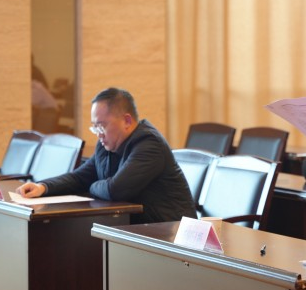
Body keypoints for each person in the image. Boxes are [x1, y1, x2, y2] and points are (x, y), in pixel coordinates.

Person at [17, 87, 197, 224]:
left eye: (102, 126)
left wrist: (92, 186)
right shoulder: (106, 144)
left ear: (127, 121)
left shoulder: (149, 144)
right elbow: (80, 177)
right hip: (137, 228)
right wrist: (43, 187)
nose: (98, 133)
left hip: (170, 233)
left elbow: (116, 190)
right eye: (94, 126)